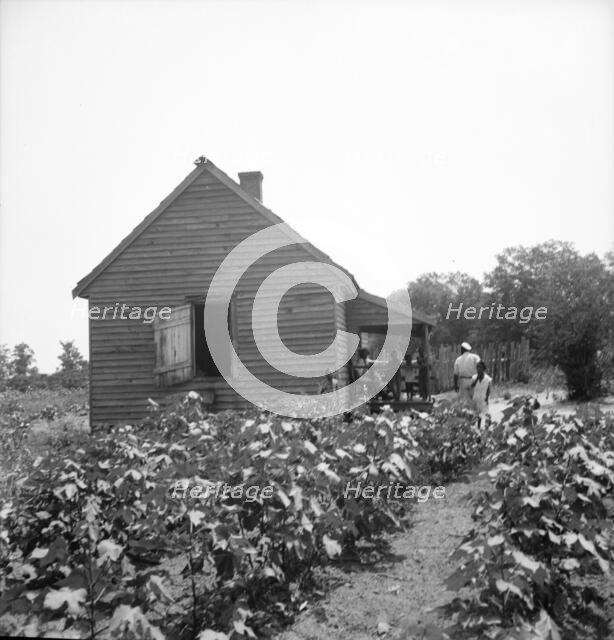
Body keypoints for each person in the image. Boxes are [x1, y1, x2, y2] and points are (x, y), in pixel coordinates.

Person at [471, 360, 492, 429]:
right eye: (477, 368)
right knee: (477, 414)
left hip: (483, 398)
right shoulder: (474, 377)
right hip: (476, 398)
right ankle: (478, 427)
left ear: (483, 368)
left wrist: (487, 398)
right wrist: (477, 378)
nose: (478, 369)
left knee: (486, 413)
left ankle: (487, 427)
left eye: (480, 367)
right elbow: (472, 386)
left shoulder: (488, 379)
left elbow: (488, 389)